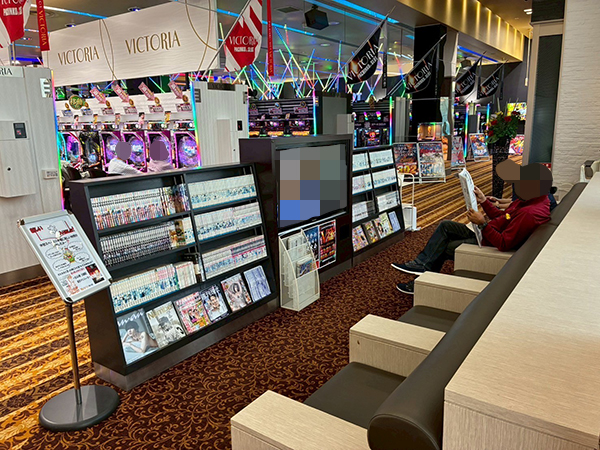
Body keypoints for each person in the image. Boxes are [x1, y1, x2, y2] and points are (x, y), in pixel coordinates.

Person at [393, 160, 553, 294]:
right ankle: (422, 264)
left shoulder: (529, 213)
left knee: (446, 246)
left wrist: (482, 223)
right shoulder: (530, 200)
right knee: (446, 226)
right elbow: (504, 217)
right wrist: (484, 201)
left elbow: (504, 243)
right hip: (488, 231)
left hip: (490, 241)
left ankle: (421, 284)